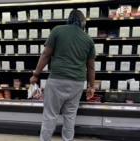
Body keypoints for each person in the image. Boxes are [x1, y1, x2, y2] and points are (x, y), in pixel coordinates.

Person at [30, 9, 96, 141]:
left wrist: (36, 74)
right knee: (70, 115)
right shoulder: (88, 39)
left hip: (57, 79)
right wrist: (91, 86)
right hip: (77, 82)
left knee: (50, 114)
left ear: (69, 19)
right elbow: (91, 66)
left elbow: (46, 55)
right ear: (83, 22)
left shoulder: (58, 30)